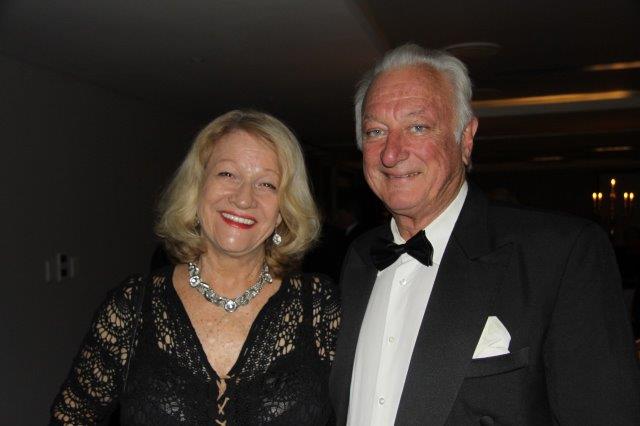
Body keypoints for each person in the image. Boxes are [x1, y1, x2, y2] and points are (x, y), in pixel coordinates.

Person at [329, 44, 640, 425]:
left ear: (465, 138)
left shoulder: (561, 254)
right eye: (376, 131)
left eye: (417, 127)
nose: (391, 154)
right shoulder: (359, 257)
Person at [50, 110, 341, 425]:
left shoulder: (319, 305)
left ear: (284, 208)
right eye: (227, 174)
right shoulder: (133, 305)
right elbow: (71, 417)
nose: (244, 199)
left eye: (267, 184)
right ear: (197, 186)